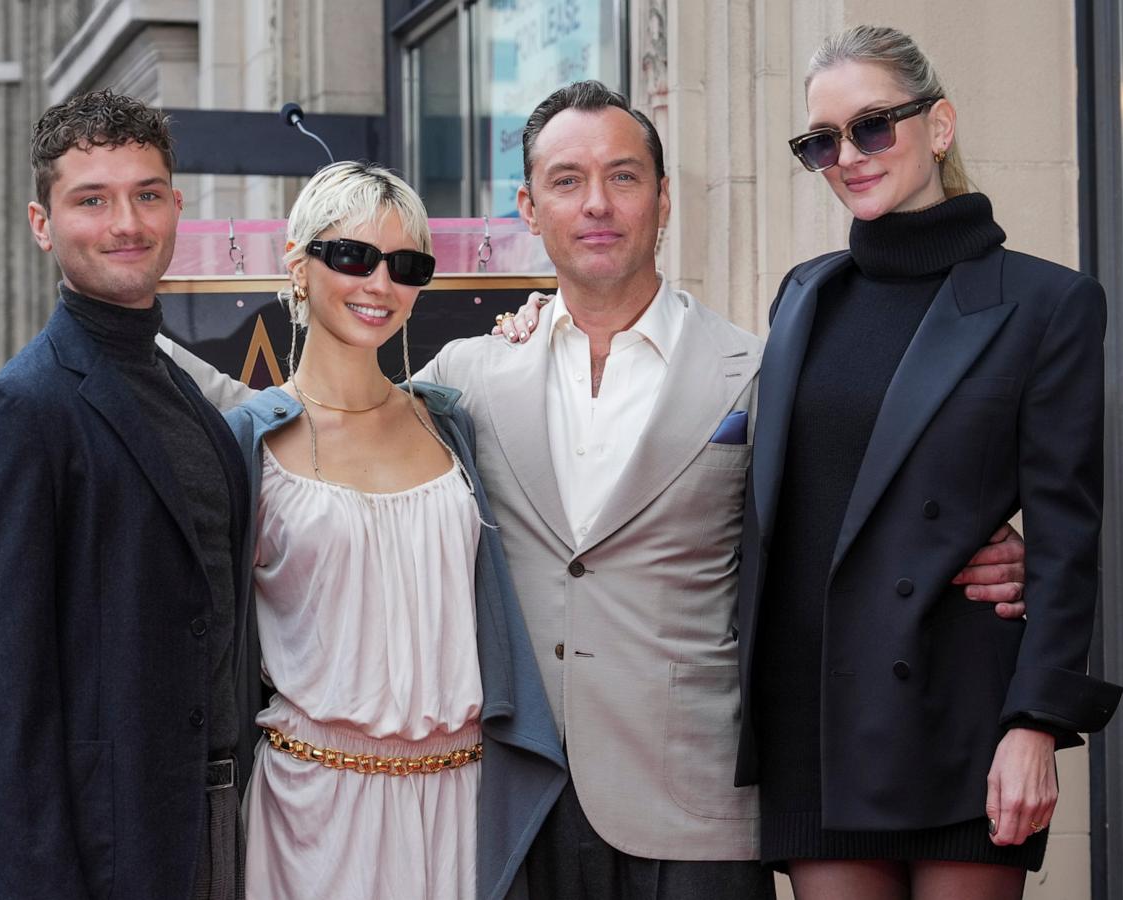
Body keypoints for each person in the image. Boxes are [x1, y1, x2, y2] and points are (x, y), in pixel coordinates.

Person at [419, 81, 1028, 899]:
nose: (598, 203)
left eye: (625, 177)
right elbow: (344, 449)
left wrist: (987, 548)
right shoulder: (468, 375)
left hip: (698, 810)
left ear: (665, 200)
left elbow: (861, 512)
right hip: (520, 799)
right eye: (568, 181)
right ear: (529, 207)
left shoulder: (766, 369)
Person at [732, 26, 1123, 900]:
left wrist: (1034, 724)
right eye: (821, 141)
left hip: (958, 710)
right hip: (814, 708)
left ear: (938, 125)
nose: (847, 157)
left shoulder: (1048, 303)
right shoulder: (803, 294)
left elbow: (1066, 538)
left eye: (872, 126)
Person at [0, 90, 260, 899]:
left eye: (147, 194)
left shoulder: (189, 399)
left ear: (178, 208)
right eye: (92, 200)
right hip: (96, 852)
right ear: (43, 224)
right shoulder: (20, 411)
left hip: (209, 820)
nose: (127, 223)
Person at [214, 161, 565, 900]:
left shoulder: (452, 420)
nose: (380, 284)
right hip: (312, 810)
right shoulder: (248, 442)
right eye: (352, 256)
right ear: (297, 263)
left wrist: (539, 319)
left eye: (406, 265)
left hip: (460, 802)